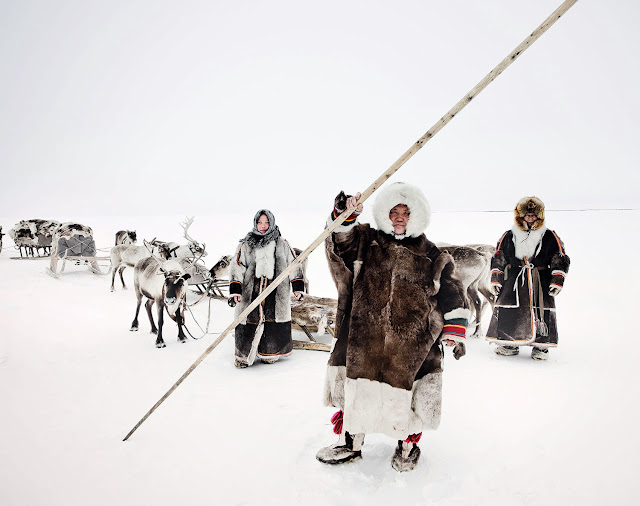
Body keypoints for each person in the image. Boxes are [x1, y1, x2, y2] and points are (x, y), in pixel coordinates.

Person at [316, 182, 470, 472]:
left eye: (406, 212)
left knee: (407, 397)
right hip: (364, 339)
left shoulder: (432, 255)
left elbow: (453, 290)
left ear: (417, 216)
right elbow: (341, 240)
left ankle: (407, 446)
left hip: (411, 344)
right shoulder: (367, 241)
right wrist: (345, 213)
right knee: (356, 391)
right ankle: (351, 443)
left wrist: (454, 329)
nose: (399, 217)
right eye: (394, 211)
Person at [486, 196, 570, 360]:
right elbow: (499, 256)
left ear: (539, 217)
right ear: (520, 216)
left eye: (534, 215)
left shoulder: (549, 235)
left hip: (540, 280)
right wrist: (496, 277)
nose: (530, 219)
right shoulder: (509, 235)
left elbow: (559, 257)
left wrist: (557, 280)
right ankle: (509, 343)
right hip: (514, 280)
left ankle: (541, 347)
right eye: (527, 215)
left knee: (541, 311)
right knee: (510, 309)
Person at [229, 209, 305, 368]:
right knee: (248, 319)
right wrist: (236, 289)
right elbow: (237, 266)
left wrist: (297, 287)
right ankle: (243, 356)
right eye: (259, 222)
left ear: (271, 223)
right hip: (251, 290)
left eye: (266, 222)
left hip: (276, 290)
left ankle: (271, 352)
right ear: (255, 223)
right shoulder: (246, 244)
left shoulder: (281, 243)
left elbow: (294, 264)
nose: (263, 226)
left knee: (273, 320)